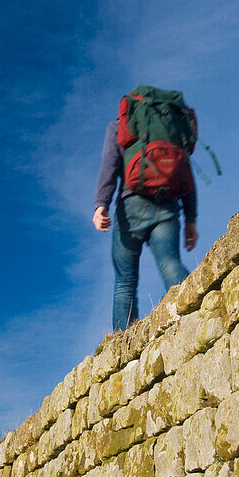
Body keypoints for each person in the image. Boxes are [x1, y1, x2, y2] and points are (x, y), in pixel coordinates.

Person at [93, 118, 198, 331]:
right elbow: (185, 171)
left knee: (125, 282)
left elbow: (109, 165)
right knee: (169, 262)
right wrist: (191, 219)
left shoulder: (119, 125)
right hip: (167, 202)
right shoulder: (170, 127)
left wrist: (100, 205)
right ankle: (197, 307)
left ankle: (122, 345)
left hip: (130, 205)